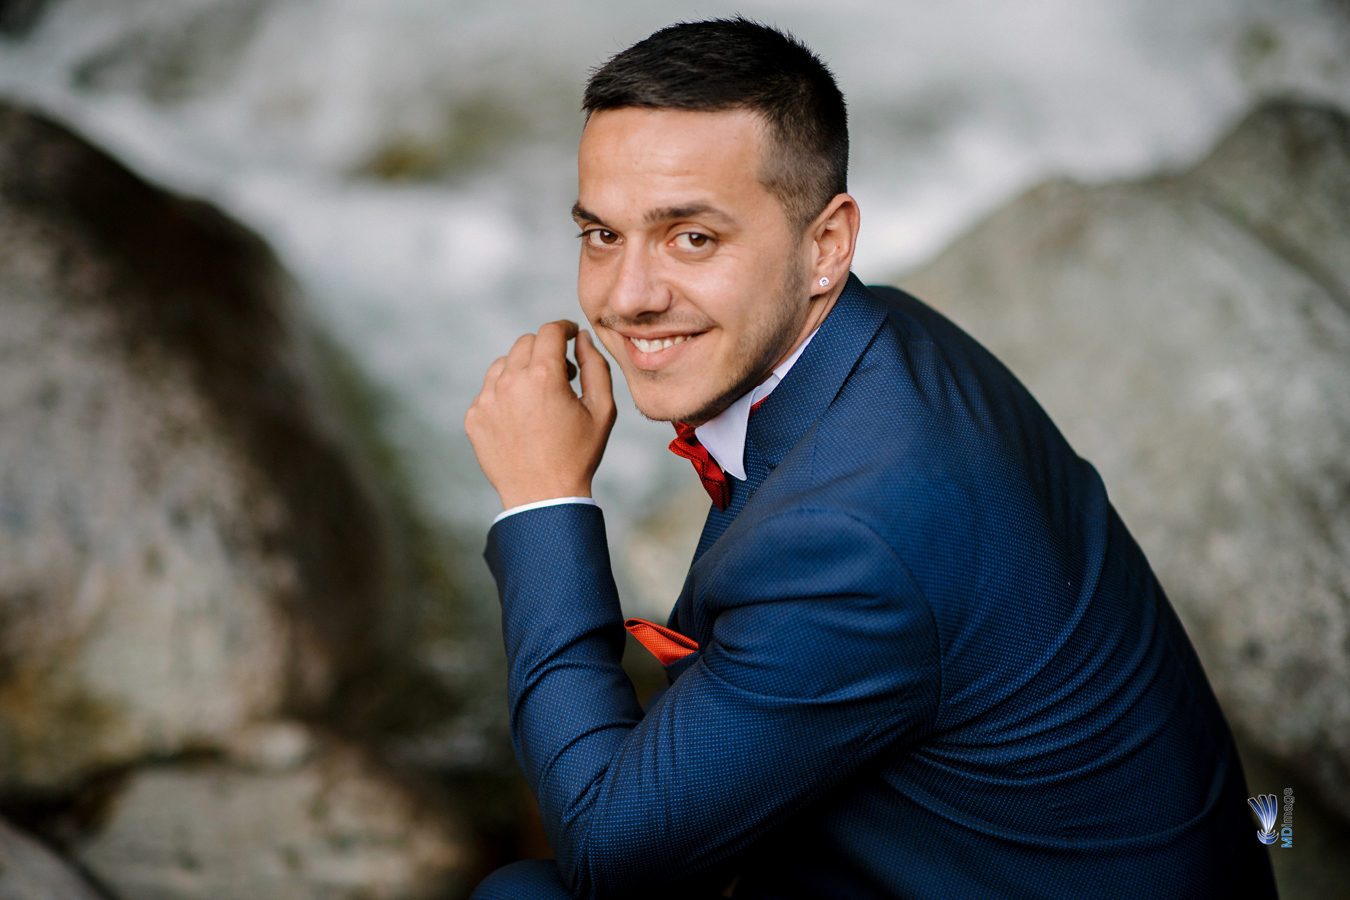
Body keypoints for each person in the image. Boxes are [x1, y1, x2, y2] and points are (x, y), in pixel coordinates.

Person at [463, 18, 1277, 900]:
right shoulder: (886, 338)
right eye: (602, 235)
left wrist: (544, 498)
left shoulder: (849, 537)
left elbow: (606, 854)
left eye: (692, 238)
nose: (627, 298)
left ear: (826, 245)